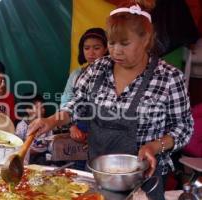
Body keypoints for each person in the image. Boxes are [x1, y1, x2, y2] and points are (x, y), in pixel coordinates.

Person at [28, 1, 193, 199]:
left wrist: (154, 146)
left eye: (124, 44)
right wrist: (51, 120)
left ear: (146, 39)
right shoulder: (98, 69)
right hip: (97, 174)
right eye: (111, 43)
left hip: (145, 178)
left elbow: (183, 127)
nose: (116, 51)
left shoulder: (168, 77)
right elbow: (77, 105)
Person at [60, 28, 108, 169]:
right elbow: (66, 101)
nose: (91, 53)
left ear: (106, 49)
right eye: (87, 48)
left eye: (96, 48)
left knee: (101, 173)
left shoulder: (114, 74)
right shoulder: (76, 74)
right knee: (79, 176)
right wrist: (72, 127)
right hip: (79, 131)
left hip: (104, 132)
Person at [15, 94, 53, 164]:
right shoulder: (22, 126)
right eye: (38, 107)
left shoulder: (47, 123)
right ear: (28, 110)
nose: (42, 110)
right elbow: (18, 144)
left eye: (43, 107)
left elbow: (50, 142)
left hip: (43, 154)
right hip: (28, 156)